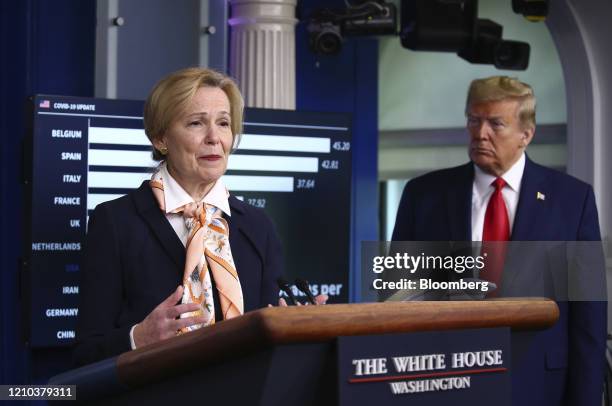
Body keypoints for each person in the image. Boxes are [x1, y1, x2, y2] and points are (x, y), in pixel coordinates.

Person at [392, 76, 606, 405]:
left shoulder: (572, 201)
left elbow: (588, 322)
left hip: (539, 386)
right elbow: (399, 303)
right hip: (445, 385)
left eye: (496, 124)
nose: (480, 133)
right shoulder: (423, 197)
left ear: (526, 134)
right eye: (473, 121)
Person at [74, 68, 285, 366]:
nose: (214, 138)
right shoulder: (115, 222)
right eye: (196, 123)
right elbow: (85, 352)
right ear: (161, 138)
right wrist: (138, 338)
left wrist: (297, 319)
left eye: (223, 123)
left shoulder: (257, 225)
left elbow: (268, 330)